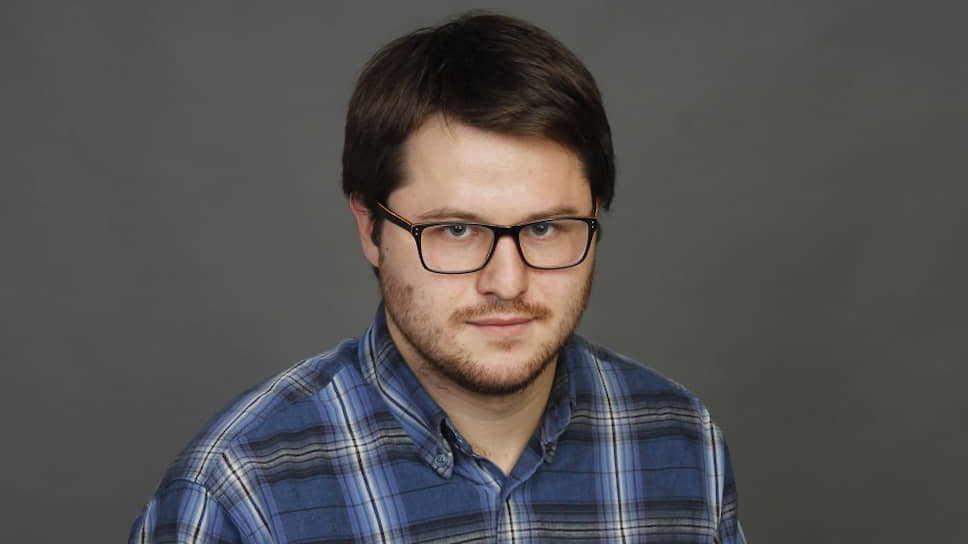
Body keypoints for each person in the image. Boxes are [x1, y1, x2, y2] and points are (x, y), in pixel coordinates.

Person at [130, 12, 745, 543]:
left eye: (544, 228)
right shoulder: (240, 490)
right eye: (455, 230)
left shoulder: (680, 444)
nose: (508, 282)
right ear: (371, 229)